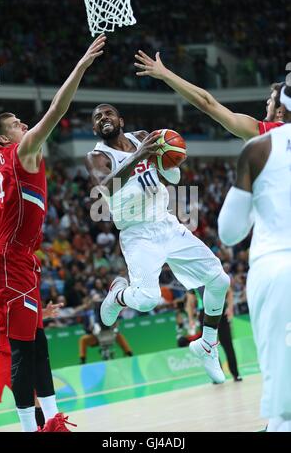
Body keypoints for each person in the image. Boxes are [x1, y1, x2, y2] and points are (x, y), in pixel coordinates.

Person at [0, 33, 106, 432]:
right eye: (15, 123)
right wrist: (80, 66)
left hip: (19, 260)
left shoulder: (6, 161)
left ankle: (52, 420)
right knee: (24, 349)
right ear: (3, 138)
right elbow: (56, 112)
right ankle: (29, 427)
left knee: (37, 342)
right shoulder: (19, 153)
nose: (24, 125)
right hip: (12, 260)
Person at [86, 103, 230, 385]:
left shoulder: (144, 136)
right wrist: (141, 156)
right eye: (97, 117)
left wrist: (169, 160)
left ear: (121, 119)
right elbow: (105, 188)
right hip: (137, 234)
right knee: (147, 300)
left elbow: (171, 174)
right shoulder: (97, 155)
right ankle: (118, 293)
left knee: (219, 280)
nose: (104, 118)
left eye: (108, 113)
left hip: (166, 224)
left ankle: (206, 344)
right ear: (94, 128)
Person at [218, 84, 291, 432]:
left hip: (276, 271)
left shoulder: (259, 148)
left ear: (282, 108)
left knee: (283, 400)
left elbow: (229, 233)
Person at [134, 51, 284, 140]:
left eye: (271, 101)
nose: (267, 103)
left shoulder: (264, 131)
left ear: (280, 110)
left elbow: (207, 103)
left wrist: (166, 74)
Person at [0, 301, 64, 428]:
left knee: (33, 398)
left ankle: (45, 428)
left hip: (13, 355)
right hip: (2, 357)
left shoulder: (7, 297)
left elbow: (24, 315)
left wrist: (45, 312)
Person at [186, 287, 242, 382]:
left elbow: (229, 292)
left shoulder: (215, 274)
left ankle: (235, 374)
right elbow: (190, 303)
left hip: (220, 312)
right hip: (206, 313)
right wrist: (191, 319)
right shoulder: (194, 283)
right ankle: (220, 375)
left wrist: (230, 308)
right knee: (211, 346)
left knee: (226, 344)